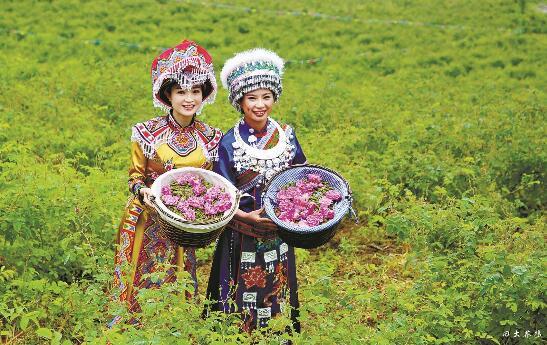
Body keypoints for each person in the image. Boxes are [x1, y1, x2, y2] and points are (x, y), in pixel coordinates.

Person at [111, 40, 222, 324]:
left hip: (185, 223)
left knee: (179, 278)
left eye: (195, 91)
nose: (189, 99)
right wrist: (143, 191)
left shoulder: (211, 137)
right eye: (181, 91)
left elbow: (212, 184)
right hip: (146, 217)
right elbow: (134, 176)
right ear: (168, 95)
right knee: (140, 277)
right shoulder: (147, 132)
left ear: (204, 94)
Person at [205, 48, 307, 333]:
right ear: (240, 101)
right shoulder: (227, 143)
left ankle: (279, 335)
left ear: (275, 97)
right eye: (252, 98)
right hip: (241, 234)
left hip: (280, 232)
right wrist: (247, 218)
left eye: (267, 97)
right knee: (240, 293)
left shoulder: (286, 135)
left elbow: (302, 178)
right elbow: (221, 197)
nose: (260, 105)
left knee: (279, 289)